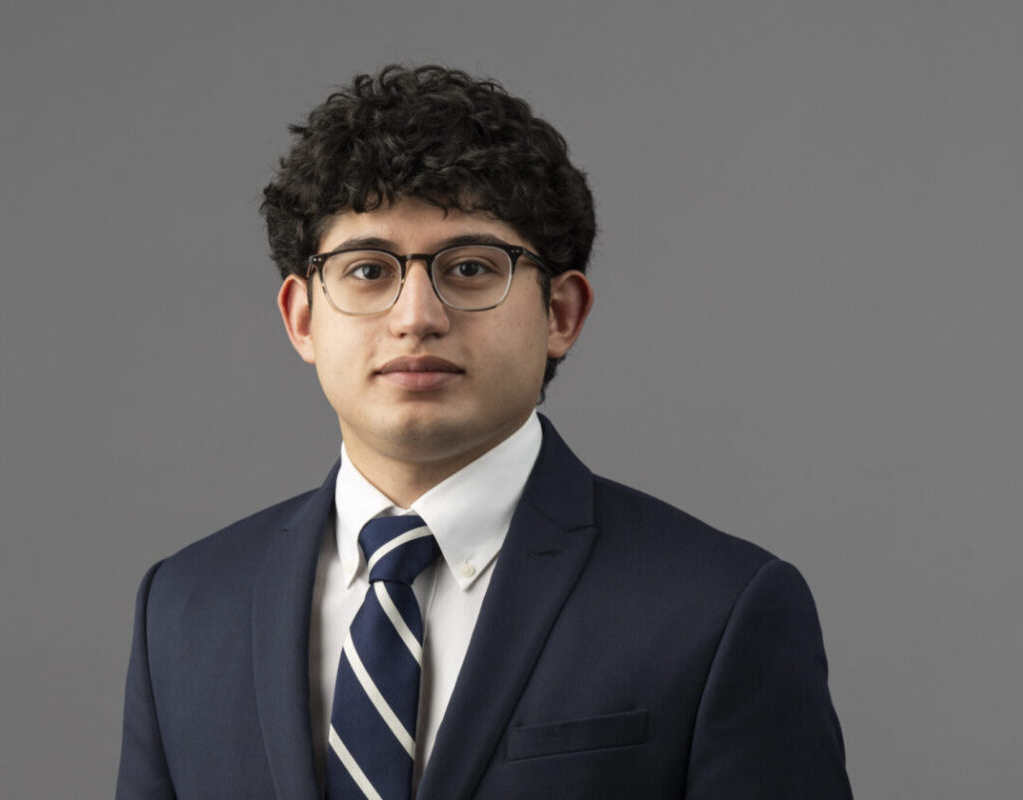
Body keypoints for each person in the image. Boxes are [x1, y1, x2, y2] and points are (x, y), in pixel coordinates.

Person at [115, 65, 853, 800]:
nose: (416, 316)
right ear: (302, 317)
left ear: (560, 314)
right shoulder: (185, 607)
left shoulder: (719, 608)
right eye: (367, 270)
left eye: (470, 267)